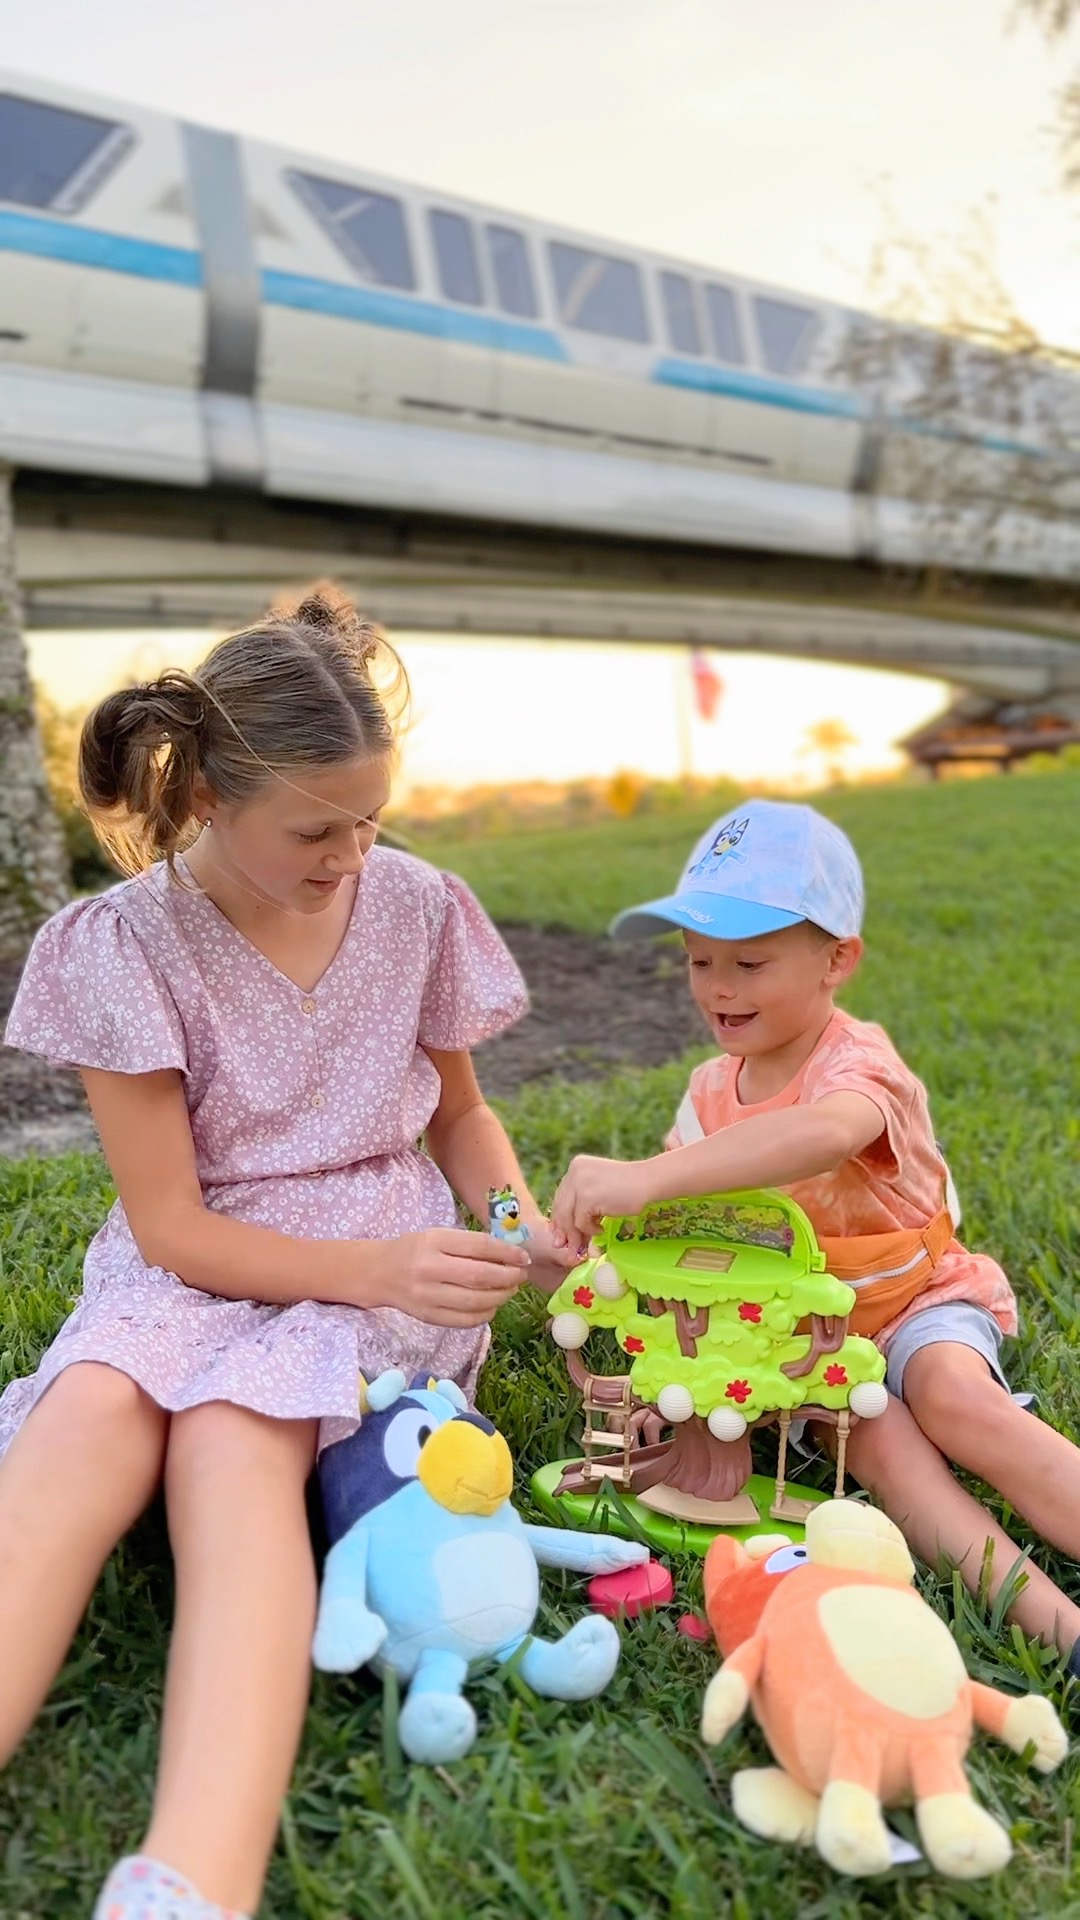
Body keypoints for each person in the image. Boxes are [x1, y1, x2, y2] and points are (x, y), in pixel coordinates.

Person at [0, 594, 570, 1920]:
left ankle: (192, 1877)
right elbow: (172, 1229)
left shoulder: (416, 904)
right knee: (89, 1414)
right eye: (318, 829)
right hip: (203, 1260)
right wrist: (377, 1273)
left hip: (377, 1254)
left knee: (229, 1445)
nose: (353, 855)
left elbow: (464, 1116)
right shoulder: (124, 943)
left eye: (371, 818)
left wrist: (510, 1236)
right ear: (204, 794)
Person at [551, 798, 1080, 1669]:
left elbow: (826, 1132)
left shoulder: (855, 1062)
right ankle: (1052, 1623)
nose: (719, 987)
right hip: (799, 1345)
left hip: (914, 1304)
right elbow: (673, 1234)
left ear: (839, 959)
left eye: (751, 962)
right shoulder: (708, 1089)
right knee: (877, 1444)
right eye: (698, 961)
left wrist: (646, 1175)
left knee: (951, 1396)